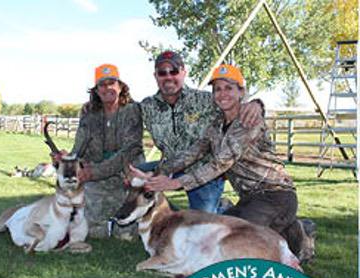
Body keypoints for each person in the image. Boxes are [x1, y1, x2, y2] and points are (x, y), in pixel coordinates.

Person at [132, 64, 314, 263]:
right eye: (217, 89)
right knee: (215, 234)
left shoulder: (248, 121)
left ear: (241, 92)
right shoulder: (216, 124)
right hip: (249, 198)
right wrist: (160, 172)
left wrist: (176, 183)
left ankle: (292, 235)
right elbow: (192, 153)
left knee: (234, 243)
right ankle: (294, 231)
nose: (222, 93)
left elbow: (220, 163)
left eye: (229, 88)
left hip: (275, 196)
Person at [139, 50, 264, 213]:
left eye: (174, 71)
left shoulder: (206, 99)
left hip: (205, 172)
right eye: (162, 72)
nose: (168, 76)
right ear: (156, 76)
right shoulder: (146, 106)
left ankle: (221, 209)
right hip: (169, 167)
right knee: (135, 175)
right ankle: (168, 216)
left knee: (202, 221)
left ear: (184, 73)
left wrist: (257, 104)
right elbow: (120, 106)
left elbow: (234, 102)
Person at [54, 64, 144, 238]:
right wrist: (66, 159)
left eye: (112, 83)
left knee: (125, 234)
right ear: (96, 90)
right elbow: (79, 149)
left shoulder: (133, 111)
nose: (107, 88)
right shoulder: (89, 113)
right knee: (93, 231)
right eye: (102, 85)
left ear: (120, 87)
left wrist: (93, 172)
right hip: (96, 180)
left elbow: (129, 151)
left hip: (127, 176)